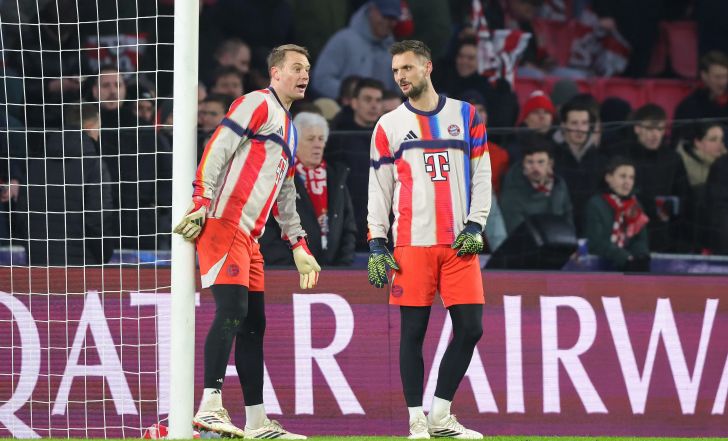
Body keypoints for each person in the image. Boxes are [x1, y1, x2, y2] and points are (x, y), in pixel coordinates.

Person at [173, 44, 321, 440]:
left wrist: (298, 244)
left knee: (254, 325)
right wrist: (201, 200)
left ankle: (257, 423)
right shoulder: (256, 103)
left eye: (307, 69)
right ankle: (209, 406)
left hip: (251, 237)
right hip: (224, 221)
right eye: (296, 67)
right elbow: (219, 145)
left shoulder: (290, 129)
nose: (304, 75)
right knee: (233, 309)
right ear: (275, 73)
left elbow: (285, 194)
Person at [367, 40, 490, 439]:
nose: (400, 76)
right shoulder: (388, 125)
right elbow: (379, 187)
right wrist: (377, 240)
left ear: (427, 67)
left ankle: (440, 415)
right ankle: (416, 420)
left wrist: (476, 224)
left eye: (407, 68)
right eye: (395, 71)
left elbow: (482, 173)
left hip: (459, 243)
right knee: (413, 333)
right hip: (411, 243)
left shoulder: (466, 115)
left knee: (470, 328)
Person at [260, 112, 357, 266]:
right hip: (289, 271)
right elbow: (266, 229)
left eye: (321, 139)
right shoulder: (277, 176)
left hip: (334, 272)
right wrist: (290, 266)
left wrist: (342, 266)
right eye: (311, 139)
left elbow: (348, 228)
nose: (317, 144)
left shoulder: (336, 178)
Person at [311, 0, 401, 98]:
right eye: (385, 16)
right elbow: (321, 79)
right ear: (372, 10)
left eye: (393, 18)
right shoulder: (343, 40)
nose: (388, 22)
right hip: (342, 106)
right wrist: (352, 95)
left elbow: (397, 92)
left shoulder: (394, 51)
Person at [584, 156, 650, 272]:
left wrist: (641, 256)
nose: (627, 182)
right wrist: (625, 258)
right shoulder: (595, 204)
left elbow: (640, 239)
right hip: (600, 270)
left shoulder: (635, 206)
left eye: (631, 177)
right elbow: (596, 242)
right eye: (622, 176)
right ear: (608, 178)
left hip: (630, 267)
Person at [500, 141, 574, 234]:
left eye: (541, 162)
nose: (535, 168)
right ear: (523, 164)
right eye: (530, 162)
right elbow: (517, 233)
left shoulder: (559, 185)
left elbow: (568, 219)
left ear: (550, 164)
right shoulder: (512, 193)